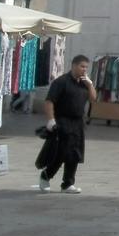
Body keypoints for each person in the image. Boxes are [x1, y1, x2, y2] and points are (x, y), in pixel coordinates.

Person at [38, 54, 96, 194]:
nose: (84, 69)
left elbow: (93, 99)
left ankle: (68, 183)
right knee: (61, 152)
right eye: (82, 66)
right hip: (62, 121)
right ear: (74, 65)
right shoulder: (61, 81)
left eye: (86, 67)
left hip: (78, 122)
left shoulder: (84, 83)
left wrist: (90, 85)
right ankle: (46, 175)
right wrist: (51, 120)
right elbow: (49, 101)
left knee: (75, 153)